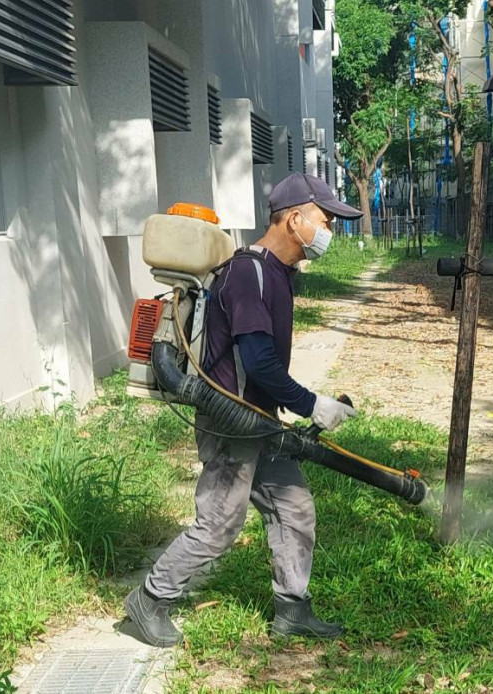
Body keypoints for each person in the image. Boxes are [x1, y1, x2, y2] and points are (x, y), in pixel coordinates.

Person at [125, 174, 364, 648]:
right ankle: (149, 600)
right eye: (326, 218)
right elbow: (256, 360)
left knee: (294, 508)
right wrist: (311, 404)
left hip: (261, 421)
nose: (331, 230)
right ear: (295, 219)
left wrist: (293, 407)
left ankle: (293, 610)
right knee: (218, 524)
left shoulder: (277, 274)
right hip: (231, 420)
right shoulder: (248, 273)